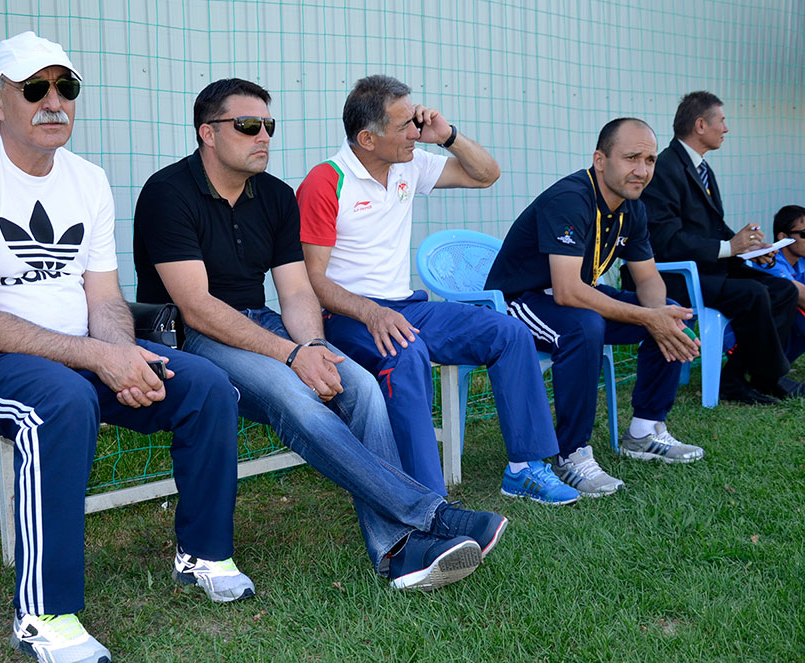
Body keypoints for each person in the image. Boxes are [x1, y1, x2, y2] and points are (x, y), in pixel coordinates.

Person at [0, 33, 254, 663]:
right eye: (34, 89)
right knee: (64, 402)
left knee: (206, 386)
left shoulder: (88, 179)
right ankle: (43, 616)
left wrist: (122, 354)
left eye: (65, 87)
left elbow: (104, 298)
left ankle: (204, 554)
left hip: (78, 353)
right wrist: (102, 359)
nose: (53, 102)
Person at [134, 78, 508, 592]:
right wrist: (292, 357)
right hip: (192, 335)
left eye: (268, 125)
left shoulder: (274, 195)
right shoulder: (168, 192)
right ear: (208, 133)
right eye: (248, 125)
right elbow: (197, 307)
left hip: (260, 323)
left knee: (362, 388)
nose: (263, 136)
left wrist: (312, 346)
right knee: (299, 398)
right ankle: (430, 516)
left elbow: (295, 291)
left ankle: (397, 552)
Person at [296, 74, 579, 504]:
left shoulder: (409, 163)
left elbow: (486, 175)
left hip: (406, 308)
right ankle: (428, 500)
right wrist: (371, 312)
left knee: (508, 332)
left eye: (415, 120)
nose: (416, 132)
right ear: (367, 139)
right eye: (405, 126)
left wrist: (447, 136)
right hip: (348, 315)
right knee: (406, 353)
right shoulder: (325, 181)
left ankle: (526, 468)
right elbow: (313, 279)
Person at [484, 118, 706, 495]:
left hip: (571, 299)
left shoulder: (632, 206)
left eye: (650, 160)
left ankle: (644, 431)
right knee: (584, 326)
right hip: (518, 302)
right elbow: (567, 291)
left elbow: (648, 279)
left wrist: (659, 317)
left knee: (671, 311)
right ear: (600, 160)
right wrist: (648, 317)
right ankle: (571, 454)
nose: (642, 170)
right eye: (632, 158)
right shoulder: (571, 199)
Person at [640, 91, 802, 404]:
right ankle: (754, 380)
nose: (726, 129)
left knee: (784, 291)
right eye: (722, 121)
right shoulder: (665, 169)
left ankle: (752, 379)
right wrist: (729, 247)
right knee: (753, 294)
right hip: (677, 276)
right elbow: (666, 240)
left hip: (712, 269)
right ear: (701, 125)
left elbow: (714, 228)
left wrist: (752, 248)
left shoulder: (701, 168)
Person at [746, 205, 805, 365]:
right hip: (745, 338)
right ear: (783, 238)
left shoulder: (801, 261)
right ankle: (769, 369)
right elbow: (800, 294)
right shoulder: (770, 260)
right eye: (804, 234)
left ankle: (779, 367)